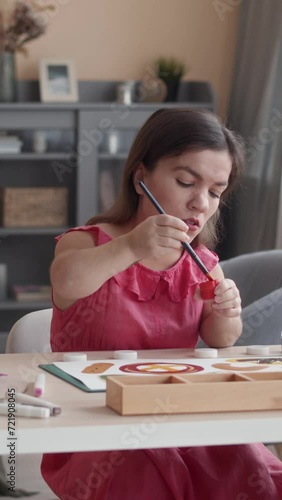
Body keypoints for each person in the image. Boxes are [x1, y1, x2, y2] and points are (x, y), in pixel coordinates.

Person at [41, 109, 282, 499]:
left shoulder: (202, 263)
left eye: (216, 192)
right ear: (140, 178)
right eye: (186, 181)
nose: (200, 203)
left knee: (248, 466)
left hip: (181, 414)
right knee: (144, 478)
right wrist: (133, 246)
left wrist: (227, 312)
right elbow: (66, 282)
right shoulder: (86, 242)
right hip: (98, 424)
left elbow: (220, 337)